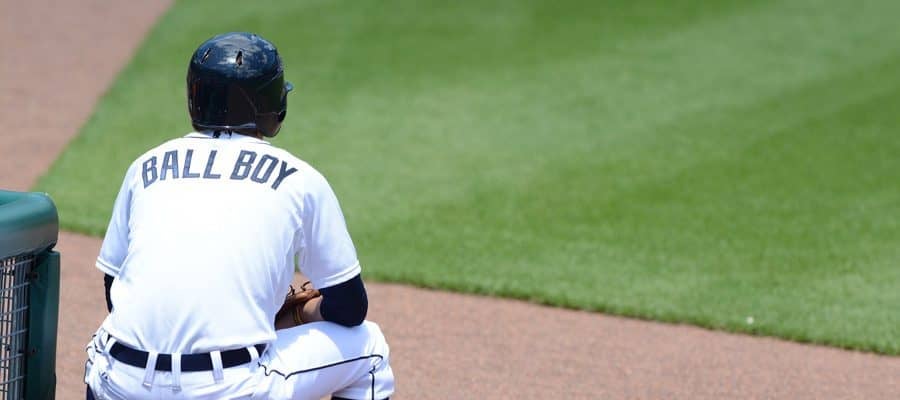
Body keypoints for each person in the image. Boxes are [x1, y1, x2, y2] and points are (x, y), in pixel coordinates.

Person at [84, 32, 394, 400]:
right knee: (370, 347)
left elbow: (114, 290)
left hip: (120, 384)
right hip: (229, 389)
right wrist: (298, 314)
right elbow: (350, 309)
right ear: (274, 105)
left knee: (109, 342)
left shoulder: (145, 166)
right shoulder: (300, 179)